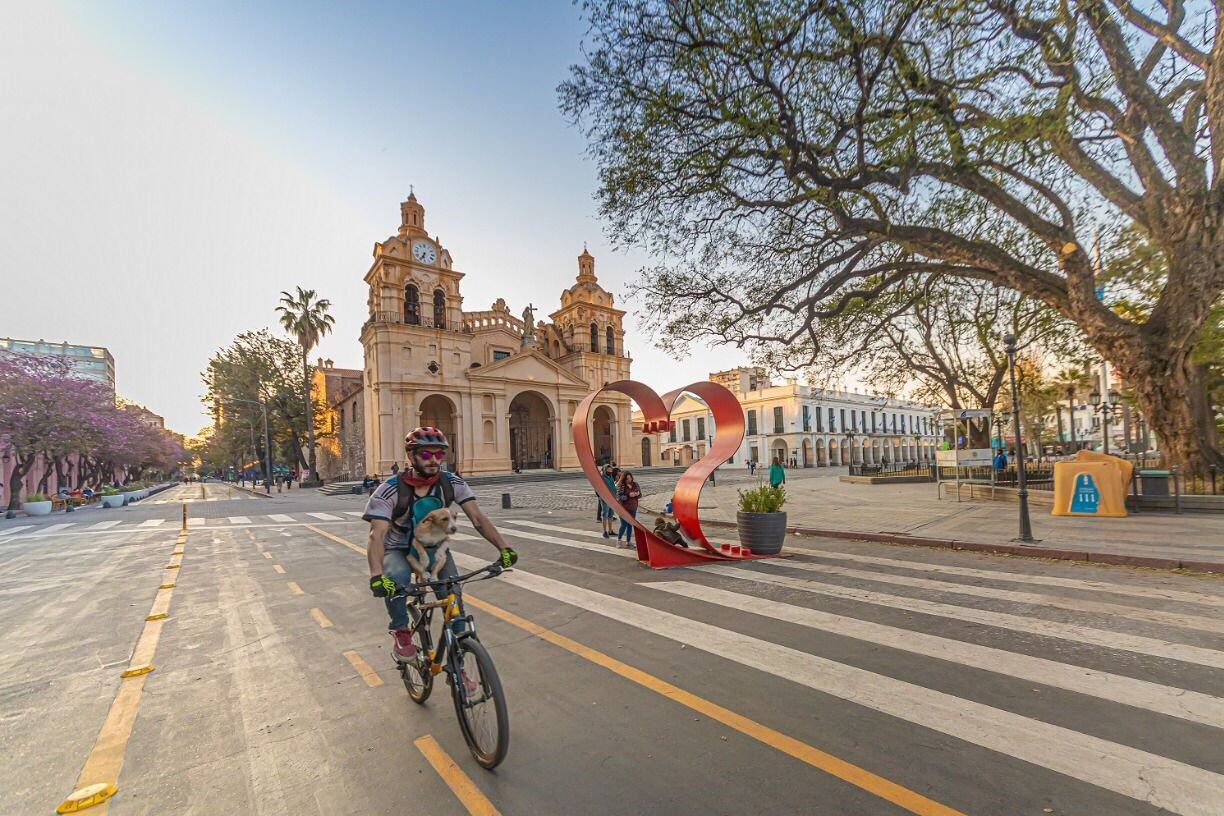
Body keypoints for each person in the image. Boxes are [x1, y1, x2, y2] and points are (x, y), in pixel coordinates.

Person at [363, 427, 516, 662]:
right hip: (399, 549)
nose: (433, 460)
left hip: (434, 548)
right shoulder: (390, 490)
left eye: (439, 455)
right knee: (397, 581)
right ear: (412, 456)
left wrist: (504, 549)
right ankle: (401, 631)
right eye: (426, 455)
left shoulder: (451, 482)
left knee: (453, 595)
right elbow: (377, 535)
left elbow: (478, 519)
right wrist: (376, 575)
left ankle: (460, 661)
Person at [615, 471, 641, 546]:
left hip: (633, 507)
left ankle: (628, 541)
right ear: (624, 479)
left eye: (630, 478)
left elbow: (640, 495)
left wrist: (637, 494)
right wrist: (628, 495)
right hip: (623, 508)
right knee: (624, 525)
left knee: (630, 524)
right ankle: (619, 540)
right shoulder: (622, 486)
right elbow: (618, 497)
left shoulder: (635, 484)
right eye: (627, 479)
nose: (629, 480)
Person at [597, 464, 618, 537]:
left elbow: (612, 485)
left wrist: (616, 495)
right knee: (605, 514)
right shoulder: (602, 477)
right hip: (605, 498)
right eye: (608, 470)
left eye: (611, 470)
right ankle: (604, 531)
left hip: (612, 498)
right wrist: (600, 496)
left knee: (610, 515)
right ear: (605, 470)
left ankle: (610, 530)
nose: (610, 471)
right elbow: (597, 487)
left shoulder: (611, 476)